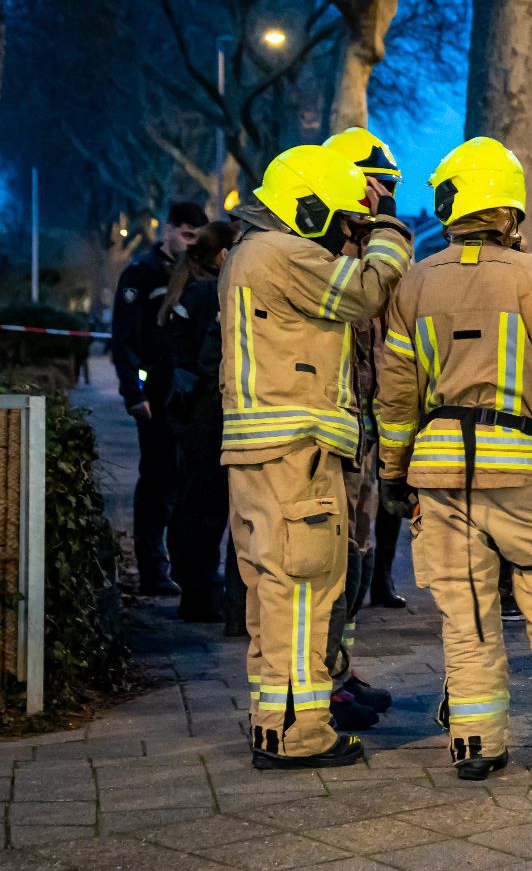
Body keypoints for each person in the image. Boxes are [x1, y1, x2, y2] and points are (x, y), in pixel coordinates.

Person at [375, 136, 532, 781]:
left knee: (467, 615)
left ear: (451, 205)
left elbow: (394, 396)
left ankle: (475, 747)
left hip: (440, 478)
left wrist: (393, 476)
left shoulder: (414, 282)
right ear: (509, 209)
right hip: (525, 475)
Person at [224, 144, 413, 769]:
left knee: (273, 593)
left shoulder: (248, 254)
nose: (338, 229)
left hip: (264, 451)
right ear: (304, 206)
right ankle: (297, 735)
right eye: (331, 216)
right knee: (302, 589)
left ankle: (274, 721)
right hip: (294, 452)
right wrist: (387, 233)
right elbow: (364, 294)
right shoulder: (282, 254)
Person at [319, 127, 405, 732]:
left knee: (357, 557)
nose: (383, 193)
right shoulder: (322, 251)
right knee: (330, 562)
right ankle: (320, 683)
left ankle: (339, 670)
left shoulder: (362, 246)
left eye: (390, 185)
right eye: (376, 182)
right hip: (331, 434)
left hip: (365, 433)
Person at [112, 200, 207, 595]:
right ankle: (152, 568)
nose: (189, 243)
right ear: (167, 231)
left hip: (185, 396)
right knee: (156, 481)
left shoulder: (196, 275)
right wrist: (134, 393)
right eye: (185, 234)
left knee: (184, 484)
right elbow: (126, 339)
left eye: (196, 237)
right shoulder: (142, 274)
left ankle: (176, 567)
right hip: (154, 394)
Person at [160, 221, 238, 622]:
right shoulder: (211, 293)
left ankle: (193, 589)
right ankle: (202, 594)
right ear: (223, 255)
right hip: (209, 413)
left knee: (192, 503)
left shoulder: (188, 290)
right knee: (208, 508)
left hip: (189, 412)